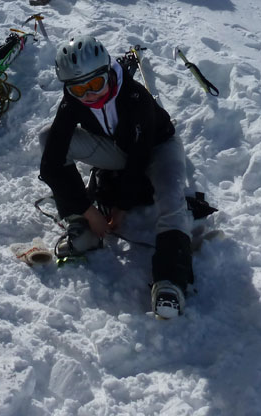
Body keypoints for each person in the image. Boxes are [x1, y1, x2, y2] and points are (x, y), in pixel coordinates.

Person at [39, 34, 194, 318]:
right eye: (79, 89)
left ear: (108, 72)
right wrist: (87, 211)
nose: (89, 95)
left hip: (157, 147)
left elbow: (139, 160)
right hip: (118, 149)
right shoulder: (73, 101)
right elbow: (50, 161)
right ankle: (81, 228)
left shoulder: (135, 98)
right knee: (48, 138)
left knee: (171, 199)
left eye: (95, 84)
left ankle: (171, 280)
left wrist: (120, 207)